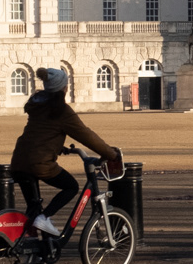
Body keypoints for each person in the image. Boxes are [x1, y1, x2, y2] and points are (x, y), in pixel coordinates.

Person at [8, 67, 120, 240]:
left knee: (33, 207)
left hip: (19, 161)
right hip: (38, 163)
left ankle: (36, 249)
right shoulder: (62, 111)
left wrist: (59, 147)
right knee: (71, 187)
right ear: (63, 88)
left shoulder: (38, 105)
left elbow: (41, 133)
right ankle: (45, 218)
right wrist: (111, 154)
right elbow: (86, 135)